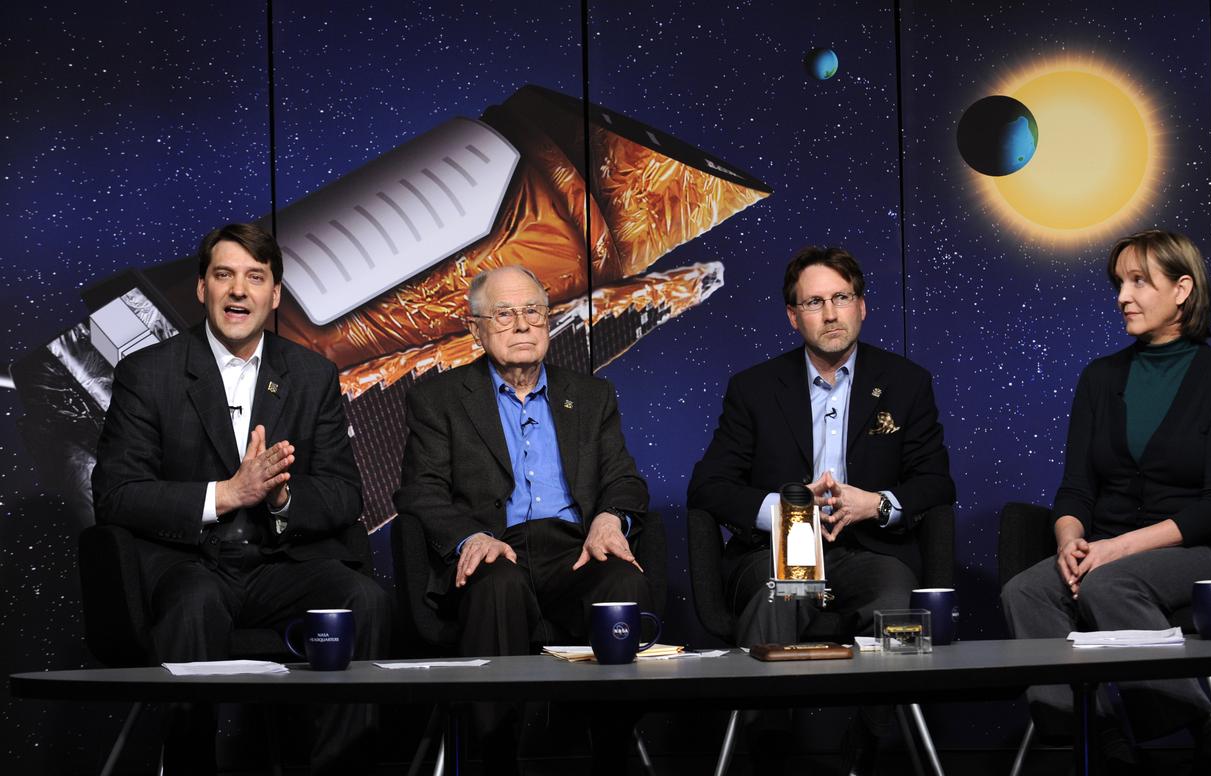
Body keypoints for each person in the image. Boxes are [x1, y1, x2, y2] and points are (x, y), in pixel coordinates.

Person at [91, 222, 391, 775]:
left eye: (256, 278)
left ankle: (342, 767)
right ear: (201, 288)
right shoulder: (147, 374)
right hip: (191, 563)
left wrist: (280, 501)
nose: (239, 291)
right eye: (224, 275)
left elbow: (345, 494)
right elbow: (117, 495)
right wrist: (227, 494)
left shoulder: (311, 375)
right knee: (195, 604)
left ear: (274, 295)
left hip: (280, 565)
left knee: (362, 598)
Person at [688, 245, 955, 768]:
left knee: (895, 591)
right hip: (777, 553)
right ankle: (768, 749)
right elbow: (709, 487)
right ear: (793, 316)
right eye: (814, 302)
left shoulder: (906, 383)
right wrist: (788, 509)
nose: (830, 313)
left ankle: (872, 739)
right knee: (783, 589)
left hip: (869, 553)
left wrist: (876, 503)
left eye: (841, 297)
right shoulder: (754, 389)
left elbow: (935, 484)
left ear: (862, 305)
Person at [1001, 229, 1211, 773]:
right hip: (1103, 547)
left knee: (1111, 580)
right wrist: (1071, 541)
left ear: (1182, 289)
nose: (1123, 296)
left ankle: (1201, 721)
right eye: (1120, 282)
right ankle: (1102, 738)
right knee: (1025, 590)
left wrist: (1116, 550)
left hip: (1195, 549)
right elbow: (1075, 487)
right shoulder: (1100, 377)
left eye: (1139, 281)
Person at [394, 265, 654, 774]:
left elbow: (625, 479)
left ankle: (612, 753)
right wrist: (471, 536)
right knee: (499, 587)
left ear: (548, 321)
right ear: (475, 328)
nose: (521, 325)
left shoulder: (593, 395)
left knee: (622, 579)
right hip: (495, 548)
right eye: (504, 314)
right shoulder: (438, 400)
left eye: (532, 312)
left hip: (570, 549)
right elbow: (419, 492)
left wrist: (609, 517)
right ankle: (494, 759)